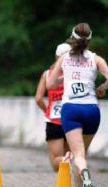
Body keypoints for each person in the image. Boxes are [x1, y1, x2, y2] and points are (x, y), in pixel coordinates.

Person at [47, 23, 108, 187]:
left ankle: (83, 175)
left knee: (78, 156)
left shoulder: (64, 59)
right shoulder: (96, 59)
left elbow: (50, 84)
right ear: (89, 39)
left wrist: (66, 77)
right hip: (91, 110)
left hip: (71, 110)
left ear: (72, 38)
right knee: (82, 153)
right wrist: (101, 88)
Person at [35, 43, 71, 172]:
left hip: (54, 120)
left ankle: (72, 161)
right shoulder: (77, 73)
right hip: (73, 118)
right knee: (69, 158)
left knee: (56, 161)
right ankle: (76, 160)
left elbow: (38, 98)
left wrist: (47, 111)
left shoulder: (47, 74)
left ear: (56, 57)